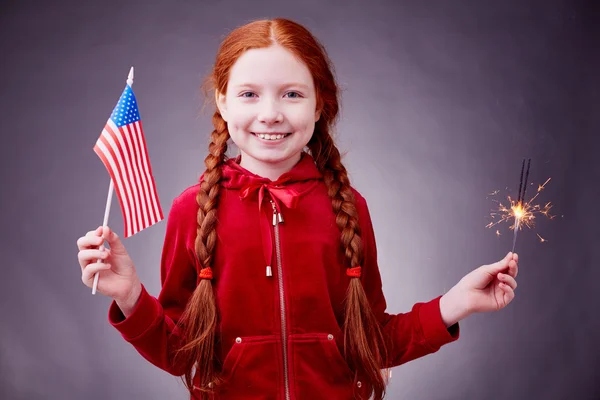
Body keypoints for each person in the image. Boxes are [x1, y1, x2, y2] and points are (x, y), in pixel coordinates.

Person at [76, 18, 519, 400]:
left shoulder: (348, 207)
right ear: (224, 102)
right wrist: (130, 296)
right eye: (249, 94)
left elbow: (374, 343)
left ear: (319, 104)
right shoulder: (191, 210)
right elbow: (179, 353)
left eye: (291, 94)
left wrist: (454, 304)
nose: (270, 113)